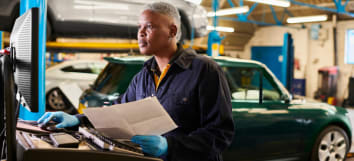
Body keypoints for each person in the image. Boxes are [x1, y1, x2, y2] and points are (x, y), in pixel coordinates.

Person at [38, 2, 234, 161]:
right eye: (139, 27)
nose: (140, 33)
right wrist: (76, 120)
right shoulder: (145, 74)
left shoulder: (204, 70)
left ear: (172, 31)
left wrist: (170, 146)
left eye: (149, 26)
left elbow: (220, 133)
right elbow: (117, 112)